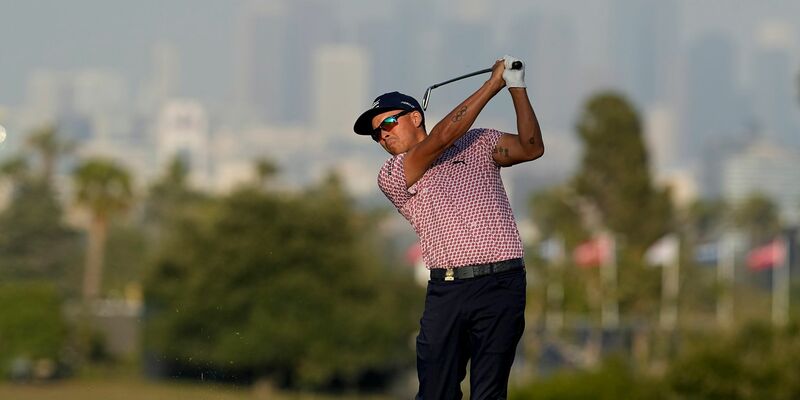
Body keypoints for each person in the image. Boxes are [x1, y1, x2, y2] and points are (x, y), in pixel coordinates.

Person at [353, 55, 543, 400]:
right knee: (435, 393)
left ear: (415, 117)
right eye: (376, 134)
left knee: (489, 393)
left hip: (503, 283)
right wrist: (492, 85)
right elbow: (440, 138)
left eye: (388, 123)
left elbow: (532, 148)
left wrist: (516, 87)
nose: (382, 135)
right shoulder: (395, 173)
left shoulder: (480, 142)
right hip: (449, 291)